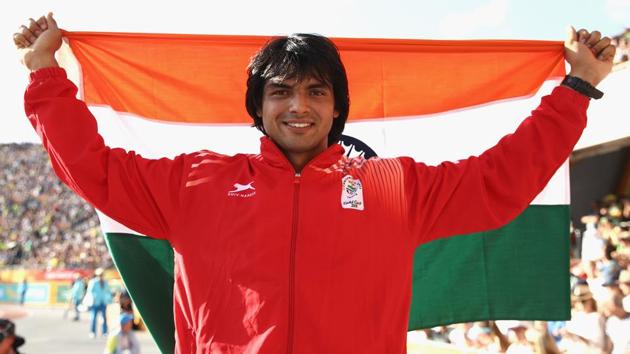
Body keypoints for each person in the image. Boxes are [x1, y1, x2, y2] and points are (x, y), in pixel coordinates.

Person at [13, 12, 616, 354]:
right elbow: (92, 165)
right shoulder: (197, 183)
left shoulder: (390, 186)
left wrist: (578, 89)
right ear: (257, 107)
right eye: (280, 91)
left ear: (336, 110)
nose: (297, 106)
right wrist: (45, 74)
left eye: (316, 91)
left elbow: (500, 180)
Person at [85, 268, 112, 338]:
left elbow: (108, 292)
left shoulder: (106, 282)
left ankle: (105, 332)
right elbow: (89, 292)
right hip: (95, 303)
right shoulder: (93, 282)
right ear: (97, 275)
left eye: (102, 274)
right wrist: (91, 300)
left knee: (104, 318)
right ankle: (92, 332)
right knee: (93, 318)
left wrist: (109, 300)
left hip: (103, 302)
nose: (100, 276)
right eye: (99, 274)